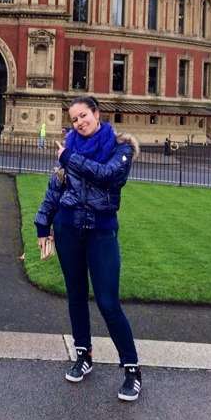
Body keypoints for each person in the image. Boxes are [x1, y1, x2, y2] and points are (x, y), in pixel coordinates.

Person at [34, 95, 142, 401]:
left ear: (97, 114)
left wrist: (69, 158)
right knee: (76, 296)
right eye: (74, 120)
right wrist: (43, 227)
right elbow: (55, 188)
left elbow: (108, 177)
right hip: (68, 229)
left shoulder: (120, 148)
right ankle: (84, 354)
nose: (79, 123)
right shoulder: (70, 148)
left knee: (108, 302)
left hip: (101, 232)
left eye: (83, 116)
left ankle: (132, 369)